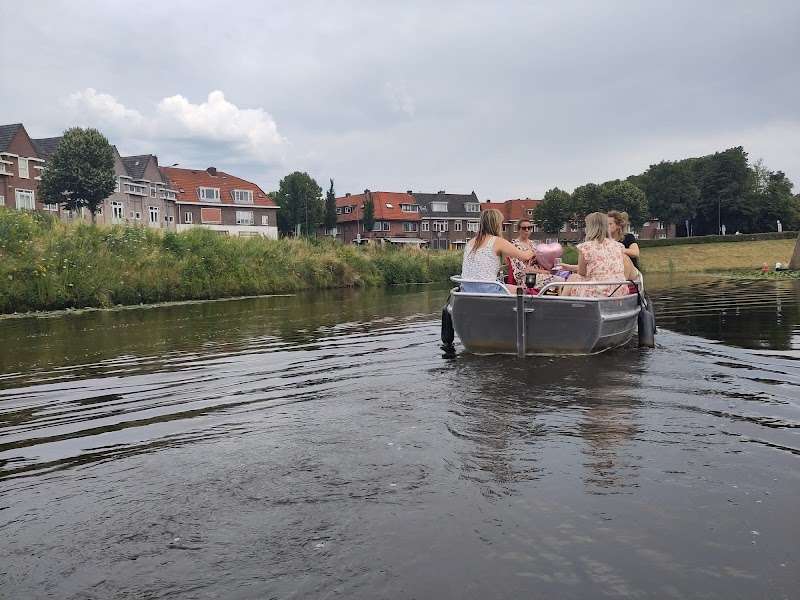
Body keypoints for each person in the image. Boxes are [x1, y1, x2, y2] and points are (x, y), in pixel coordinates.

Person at [461, 209, 535, 289]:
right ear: (496, 224)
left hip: (465, 288)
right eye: (501, 224)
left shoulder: (470, 242)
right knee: (523, 290)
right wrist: (536, 249)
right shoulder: (497, 241)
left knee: (509, 287)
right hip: (486, 289)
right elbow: (525, 256)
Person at [561, 212, 626, 298]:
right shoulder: (619, 246)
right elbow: (602, 268)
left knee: (573, 277)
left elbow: (582, 273)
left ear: (590, 228)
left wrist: (572, 270)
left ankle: (560, 304)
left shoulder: (585, 247)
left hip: (598, 292)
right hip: (619, 290)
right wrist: (570, 267)